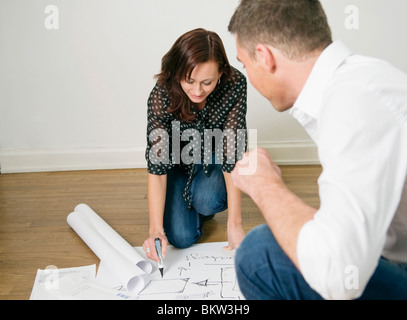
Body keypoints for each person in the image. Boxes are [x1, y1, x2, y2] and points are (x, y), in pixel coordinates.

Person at [228, 0, 407, 300]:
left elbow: (340, 276)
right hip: (394, 252)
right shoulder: (360, 82)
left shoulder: (354, 102)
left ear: (264, 56)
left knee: (260, 255)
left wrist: (263, 185)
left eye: (244, 64)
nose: (246, 74)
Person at [143, 28, 248, 264]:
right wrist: (155, 231)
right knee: (180, 237)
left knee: (209, 199)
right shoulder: (161, 95)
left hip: (215, 157)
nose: (198, 91)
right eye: (189, 81)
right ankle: (188, 200)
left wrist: (235, 223)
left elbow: (232, 154)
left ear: (221, 74)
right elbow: (157, 169)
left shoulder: (235, 85)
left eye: (207, 82)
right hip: (177, 165)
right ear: (177, 72)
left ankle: (201, 201)